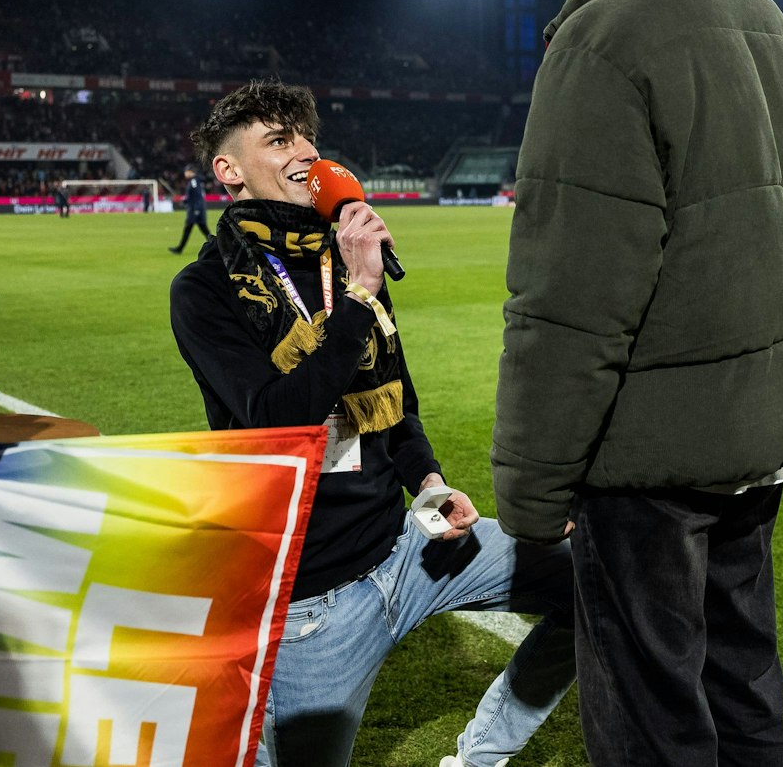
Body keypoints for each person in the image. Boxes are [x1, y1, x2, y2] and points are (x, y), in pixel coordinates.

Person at [492, 0, 783, 767]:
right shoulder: (764, 17)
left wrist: (532, 489)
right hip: (755, 434)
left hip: (646, 458)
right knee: (739, 682)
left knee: (651, 711)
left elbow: (569, 300)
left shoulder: (600, 37)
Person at [170, 80, 573, 767]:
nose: (303, 150)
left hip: (408, 549)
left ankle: (479, 759)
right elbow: (281, 416)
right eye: (278, 139)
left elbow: (398, 408)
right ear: (228, 171)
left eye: (304, 136)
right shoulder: (206, 290)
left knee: (591, 581)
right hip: (313, 601)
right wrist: (358, 296)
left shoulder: (340, 260)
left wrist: (430, 483)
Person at [167, 163, 211, 254]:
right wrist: (185, 201)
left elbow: (198, 196)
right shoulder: (195, 181)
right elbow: (194, 196)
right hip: (196, 210)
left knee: (190, 229)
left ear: (191, 172)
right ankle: (216, 246)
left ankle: (179, 249)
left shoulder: (194, 181)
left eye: (186, 171)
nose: (185, 173)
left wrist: (197, 210)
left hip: (195, 211)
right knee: (204, 231)